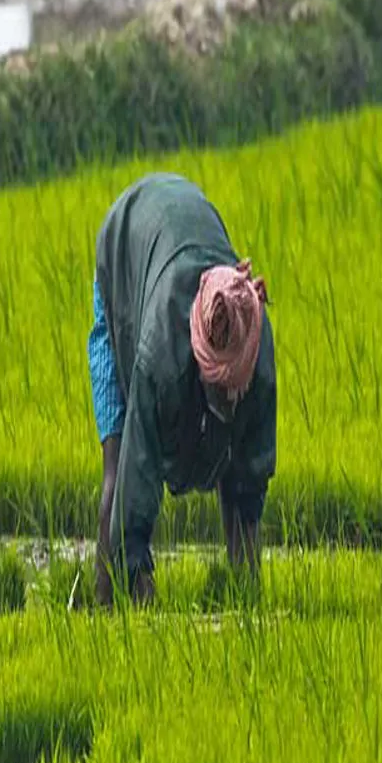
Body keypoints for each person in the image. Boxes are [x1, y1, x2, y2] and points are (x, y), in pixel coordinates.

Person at [81, 172, 277, 607]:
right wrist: (139, 574)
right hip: (125, 250)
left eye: (234, 388)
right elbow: (141, 470)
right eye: (219, 388)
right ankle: (104, 606)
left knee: (236, 471)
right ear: (200, 357)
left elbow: (251, 475)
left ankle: (244, 594)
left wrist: (248, 593)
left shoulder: (254, 338)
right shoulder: (160, 357)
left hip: (179, 236)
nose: (229, 399)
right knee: (117, 468)